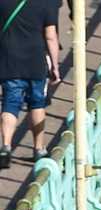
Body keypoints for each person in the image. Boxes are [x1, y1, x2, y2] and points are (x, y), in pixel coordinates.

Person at [0, 0, 58, 168]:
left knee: (10, 104)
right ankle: (39, 149)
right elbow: (50, 36)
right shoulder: (47, 4)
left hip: (10, 60)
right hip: (36, 60)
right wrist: (55, 66)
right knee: (37, 103)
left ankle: (5, 147)